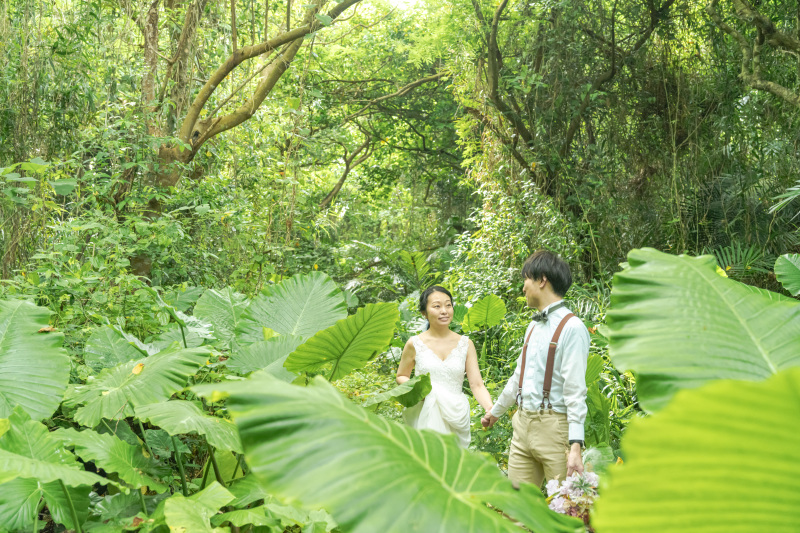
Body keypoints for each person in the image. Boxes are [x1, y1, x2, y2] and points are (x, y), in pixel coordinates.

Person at [481, 250, 590, 488]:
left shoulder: (573, 328)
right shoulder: (532, 326)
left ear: (542, 280)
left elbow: (575, 390)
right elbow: (519, 376)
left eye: (526, 279)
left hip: (555, 429)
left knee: (566, 512)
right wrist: (496, 412)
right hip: (522, 426)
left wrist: (575, 445)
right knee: (516, 510)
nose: (523, 288)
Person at [396, 286, 493, 448]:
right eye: (437, 306)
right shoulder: (414, 343)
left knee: (454, 466)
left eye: (448, 305)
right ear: (424, 313)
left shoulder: (465, 344)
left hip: (456, 413)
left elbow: (477, 384)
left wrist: (490, 408)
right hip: (425, 412)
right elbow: (401, 376)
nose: (444, 311)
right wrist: (419, 391)